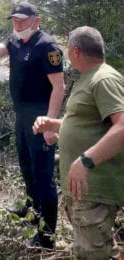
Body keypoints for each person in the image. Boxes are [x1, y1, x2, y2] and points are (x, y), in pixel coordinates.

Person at [0, 2, 65, 248]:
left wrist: (51, 125)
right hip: (21, 116)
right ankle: (32, 210)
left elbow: (59, 87)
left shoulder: (47, 46)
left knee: (44, 176)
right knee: (26, 166)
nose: (18, 24)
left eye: (22, 20)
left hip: (40, 118)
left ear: (37, 20)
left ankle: (47, 237)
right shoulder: (14, 40)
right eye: (14, 20)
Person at [33, 26, 124, 259]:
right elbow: (87, 126)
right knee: (93, 251)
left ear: (75, 51)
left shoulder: (104, 79)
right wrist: (53, 124)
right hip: (84, 194)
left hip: (96, 189)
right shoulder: (88, 79)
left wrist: (85, 161)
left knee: (94, 255)